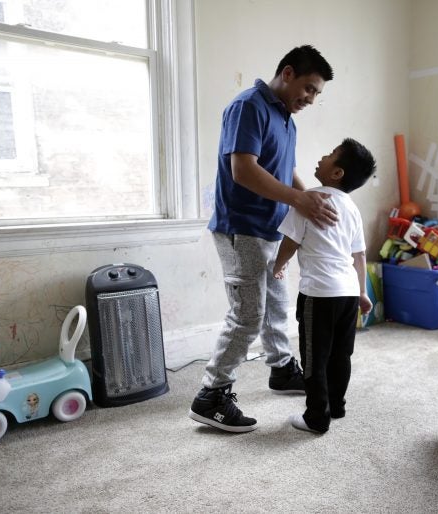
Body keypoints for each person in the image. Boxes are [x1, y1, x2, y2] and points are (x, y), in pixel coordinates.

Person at [189, 45, 336, 433]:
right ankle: (211, 394)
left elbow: (284, 171)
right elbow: (243, 171)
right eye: (308, 88)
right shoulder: (249, 106)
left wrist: (311, 200)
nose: (310, 98)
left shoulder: (286, 118)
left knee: (276, 302)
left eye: (317, 93)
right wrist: (298, 200)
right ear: (287, 74)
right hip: (242, 227)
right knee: (248, 315)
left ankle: (282, 367)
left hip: (271, 227)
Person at [272, 138, 376, 434]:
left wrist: (278, 266)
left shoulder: (308, 200)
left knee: (314, 357)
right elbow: (359, 255)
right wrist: (362, 292)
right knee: (341, 354)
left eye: (330, 155)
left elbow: (291, 241)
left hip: (318, 294)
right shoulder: (352, 208)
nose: (322, 156)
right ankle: (337, 406)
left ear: (337, 172)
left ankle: (316, 417)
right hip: (346, 294)